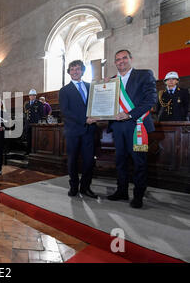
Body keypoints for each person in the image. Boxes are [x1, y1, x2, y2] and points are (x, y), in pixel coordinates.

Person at [107, 50, 157, 209]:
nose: (121, 61)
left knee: (139, 161)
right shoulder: (112, 80)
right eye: (118, 59)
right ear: (115, 63)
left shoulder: (144, 75)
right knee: (120, 161)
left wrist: (129, 115)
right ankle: (122, 190)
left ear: (130, 59)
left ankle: (138, 195)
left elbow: (151, 100)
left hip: (137, 125)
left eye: (124, 58)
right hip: (118, 127)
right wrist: (102, 87)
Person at [59, 60, 98, 198]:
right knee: (72, 160)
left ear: (82, 71)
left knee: (89, 160)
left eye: (78, 69)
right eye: (72, 69)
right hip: (73, 131)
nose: (75, 71)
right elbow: (65, 111)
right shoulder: (64, 90)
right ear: (69, 72)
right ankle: (74, 186)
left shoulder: (91, 86)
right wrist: (84, 119)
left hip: (89, 130)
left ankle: (85, 187)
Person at [24, 89, 45, 155]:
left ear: (35, 96)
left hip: (35, 124)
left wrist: (39, 122)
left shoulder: (39, 104)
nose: (32, 96)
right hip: (28, 124)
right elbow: (26, 114)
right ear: (29, 96)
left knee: (35, 138)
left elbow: (42, 114)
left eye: (33, 95)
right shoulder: (27, 104)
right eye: (31, 95)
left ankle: (35, 151)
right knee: (28, 138)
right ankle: (28, 151)